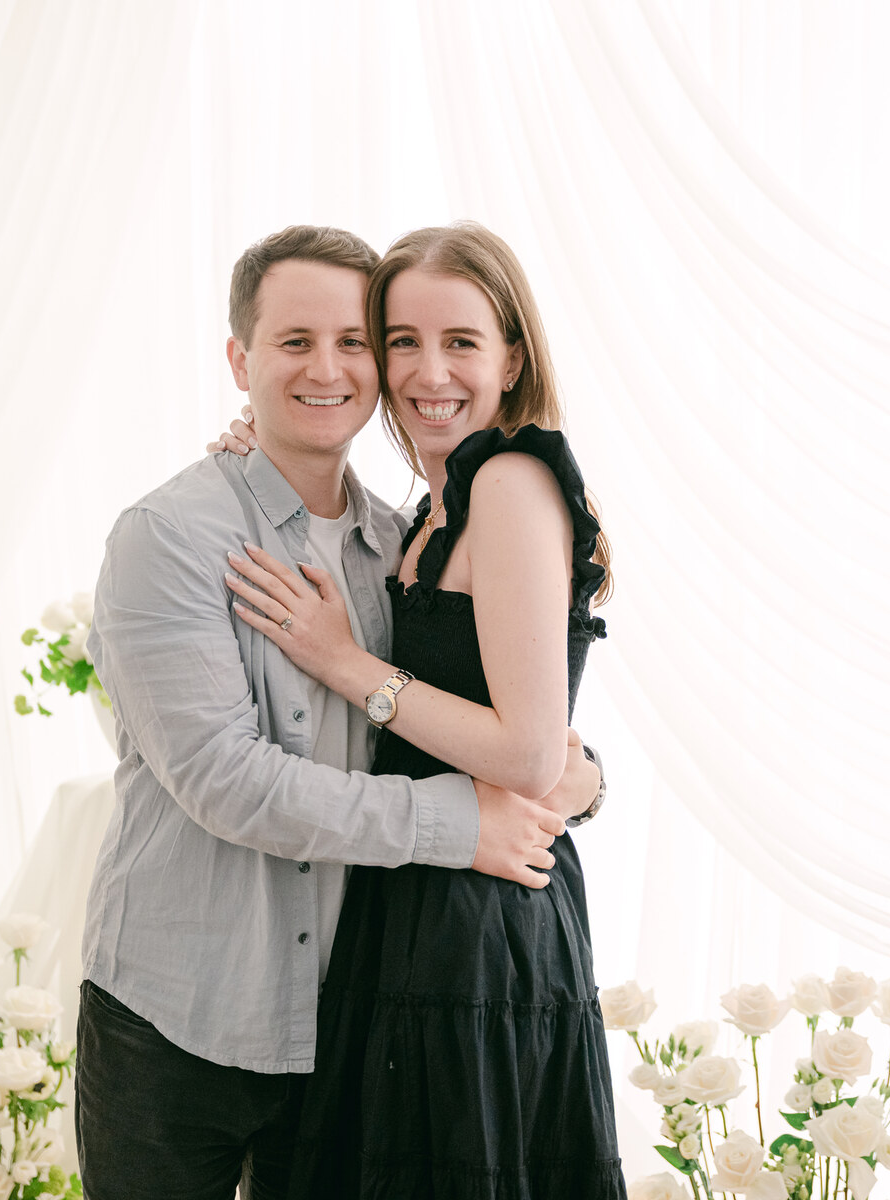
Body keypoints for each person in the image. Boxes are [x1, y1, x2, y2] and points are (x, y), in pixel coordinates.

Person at [76, 225, 605, 1200]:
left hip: (349, 1013)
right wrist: (467, 820)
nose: (332, 368)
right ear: (240, 360)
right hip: (180, 1019)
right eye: (292, 343)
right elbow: (231, 784)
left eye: (356, 341)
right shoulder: (171, 537)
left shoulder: (395, 539)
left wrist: (574, 772)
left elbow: (488, 708)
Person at [223, 221, 624, 1197]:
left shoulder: (514, 484)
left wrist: (347, 663)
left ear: (512, 356)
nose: (426, 371)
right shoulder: (430, 509)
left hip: (478, 924)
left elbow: (527, 756)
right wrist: (259, 446)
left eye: (461, 343)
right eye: (401, 341)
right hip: (410, 892)